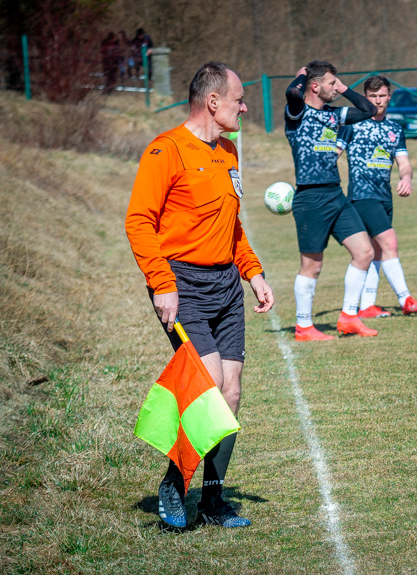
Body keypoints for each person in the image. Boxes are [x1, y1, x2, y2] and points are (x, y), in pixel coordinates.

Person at [125, 62, 274, 529]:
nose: (245, 107)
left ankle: (212, 502)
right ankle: (174, 480)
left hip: (227, 285)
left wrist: (254, 273)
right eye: (239, 99)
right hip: (183, 286)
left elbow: (231, 226)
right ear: (213, 102)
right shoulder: (165, 150)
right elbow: (138, 222)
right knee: (208, 393)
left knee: (231, 393)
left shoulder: (229, 151)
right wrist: (162, 283)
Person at [284, 60, 379, 341]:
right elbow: (292, 93)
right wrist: (302, 75)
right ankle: (304, 327)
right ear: (314, 86)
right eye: (330, 83)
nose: (335, 88)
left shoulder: (334, 115)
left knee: (365, 253)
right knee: (312, 265)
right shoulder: (297, 113)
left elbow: (369, 110)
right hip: (310, 198)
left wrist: (344, 87)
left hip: (336, 194)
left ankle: (349, 317)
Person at [336, 76, 417, 318]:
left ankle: (366, 306)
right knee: (390, 243)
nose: (377, 100)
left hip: (384, 196)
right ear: (366, 98)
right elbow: (333, 154)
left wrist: (406, 178)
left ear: (389, 97)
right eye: (372, 96)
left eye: (382, 96)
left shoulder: (394, 129)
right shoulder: (352, 124)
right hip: (362, 196)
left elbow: (404, 163)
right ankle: (405, 299)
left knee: (375, 251)